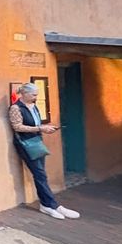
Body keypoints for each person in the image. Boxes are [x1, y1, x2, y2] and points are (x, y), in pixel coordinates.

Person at [8, 83, 80, 220]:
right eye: (33, 95)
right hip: (26, 144)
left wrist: (45, 128)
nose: (36, 97)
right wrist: (40, 128)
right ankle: (50, 205)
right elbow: (17, 127)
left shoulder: (34, 106)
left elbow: (36, 124)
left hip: (36, 142)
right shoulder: (16, 108)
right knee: (40, 174)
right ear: (24, 94)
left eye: (37, 94)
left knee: (41, 174)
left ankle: (49, 204)